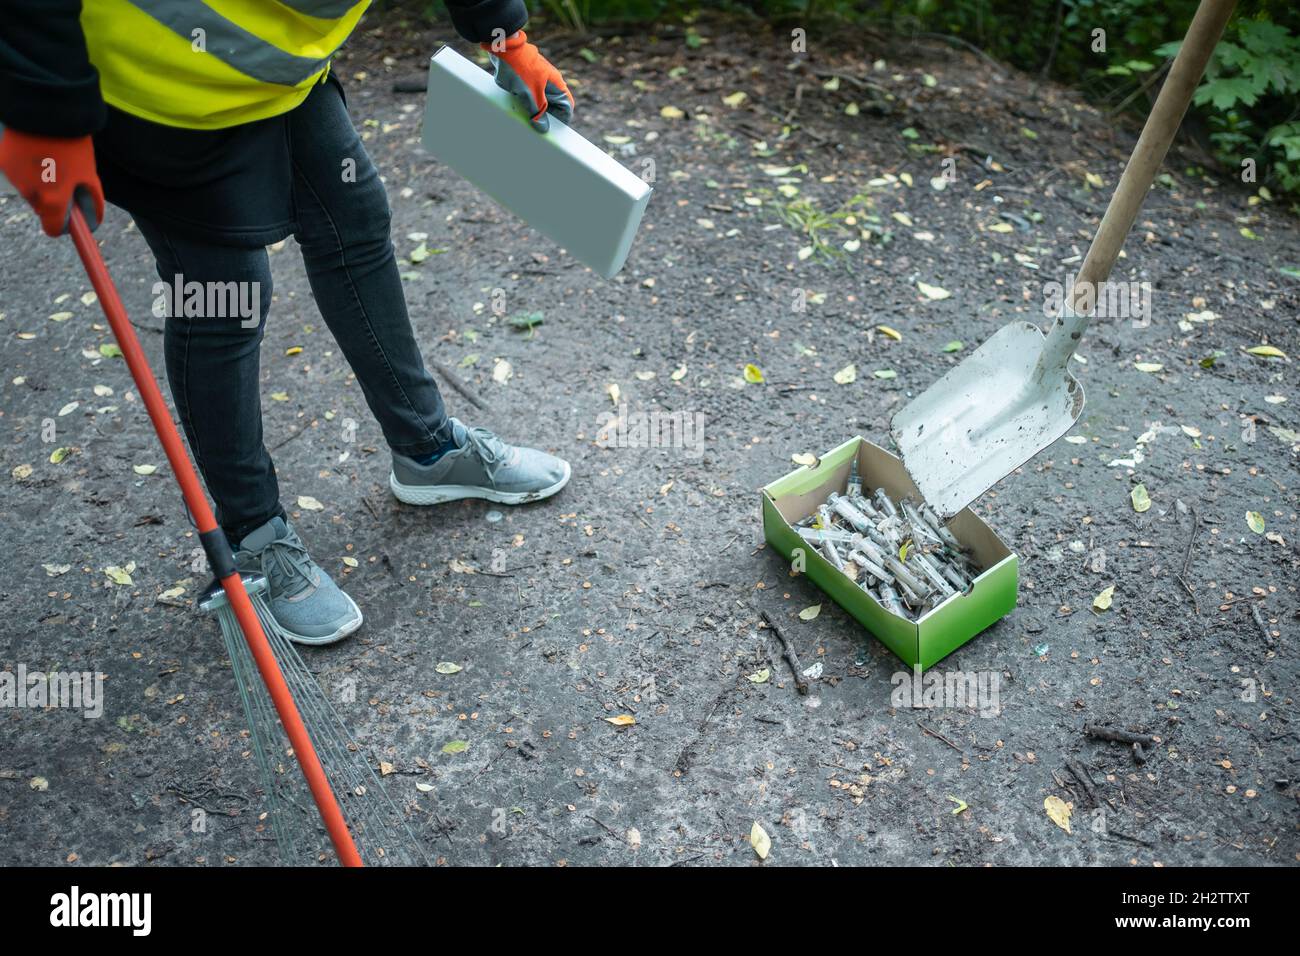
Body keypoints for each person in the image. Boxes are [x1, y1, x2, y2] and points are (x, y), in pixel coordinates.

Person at [0, 0, 575, 644]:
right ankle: (251, 538)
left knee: (356, 224)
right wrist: (43, 110)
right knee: (226, 296)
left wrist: (504, 33)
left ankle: (428, 451)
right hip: (159, 99)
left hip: (281, 79)